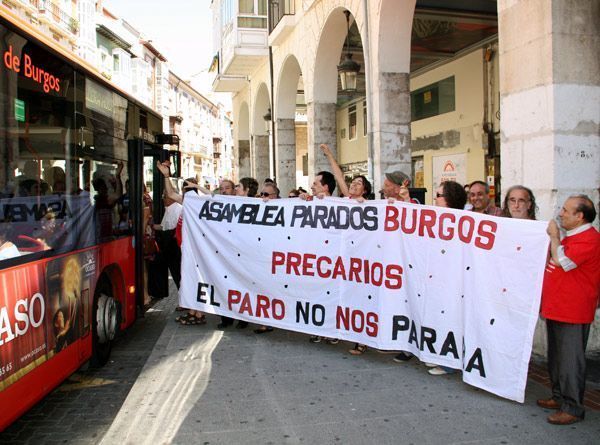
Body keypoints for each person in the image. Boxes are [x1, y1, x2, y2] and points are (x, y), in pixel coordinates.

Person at [537, 195, 600, 425]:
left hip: (573, 311)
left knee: (570, 361)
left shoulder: (590, 239)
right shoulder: (574, 237)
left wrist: (554, 237)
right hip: (558, 307)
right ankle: (558, 396)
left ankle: (573, 407)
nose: (561, 213)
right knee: (556, 358)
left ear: (580, 216)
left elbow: (563, 261)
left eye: (565, 210)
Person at [157, 160, 208, 325]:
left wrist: (197, 187)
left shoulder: (200, 204)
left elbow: (213, 196)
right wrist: (166, 176)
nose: (184, 193)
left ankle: (198, 313)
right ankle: (194, 311)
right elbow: (170, 193)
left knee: (193, 280)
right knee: (189, 280)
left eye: (187, 189)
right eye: (184, 190)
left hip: (194, 249)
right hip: (185, 247)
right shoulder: (187, 202)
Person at [427, 181, 468, 375]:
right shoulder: (436, 218)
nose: (435, 199)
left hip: (454, 281)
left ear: (450, 198)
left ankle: (449, 363)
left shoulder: (464, 220)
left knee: (451, 318)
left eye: (439, 195)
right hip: (438, 278)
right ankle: (439, 354)